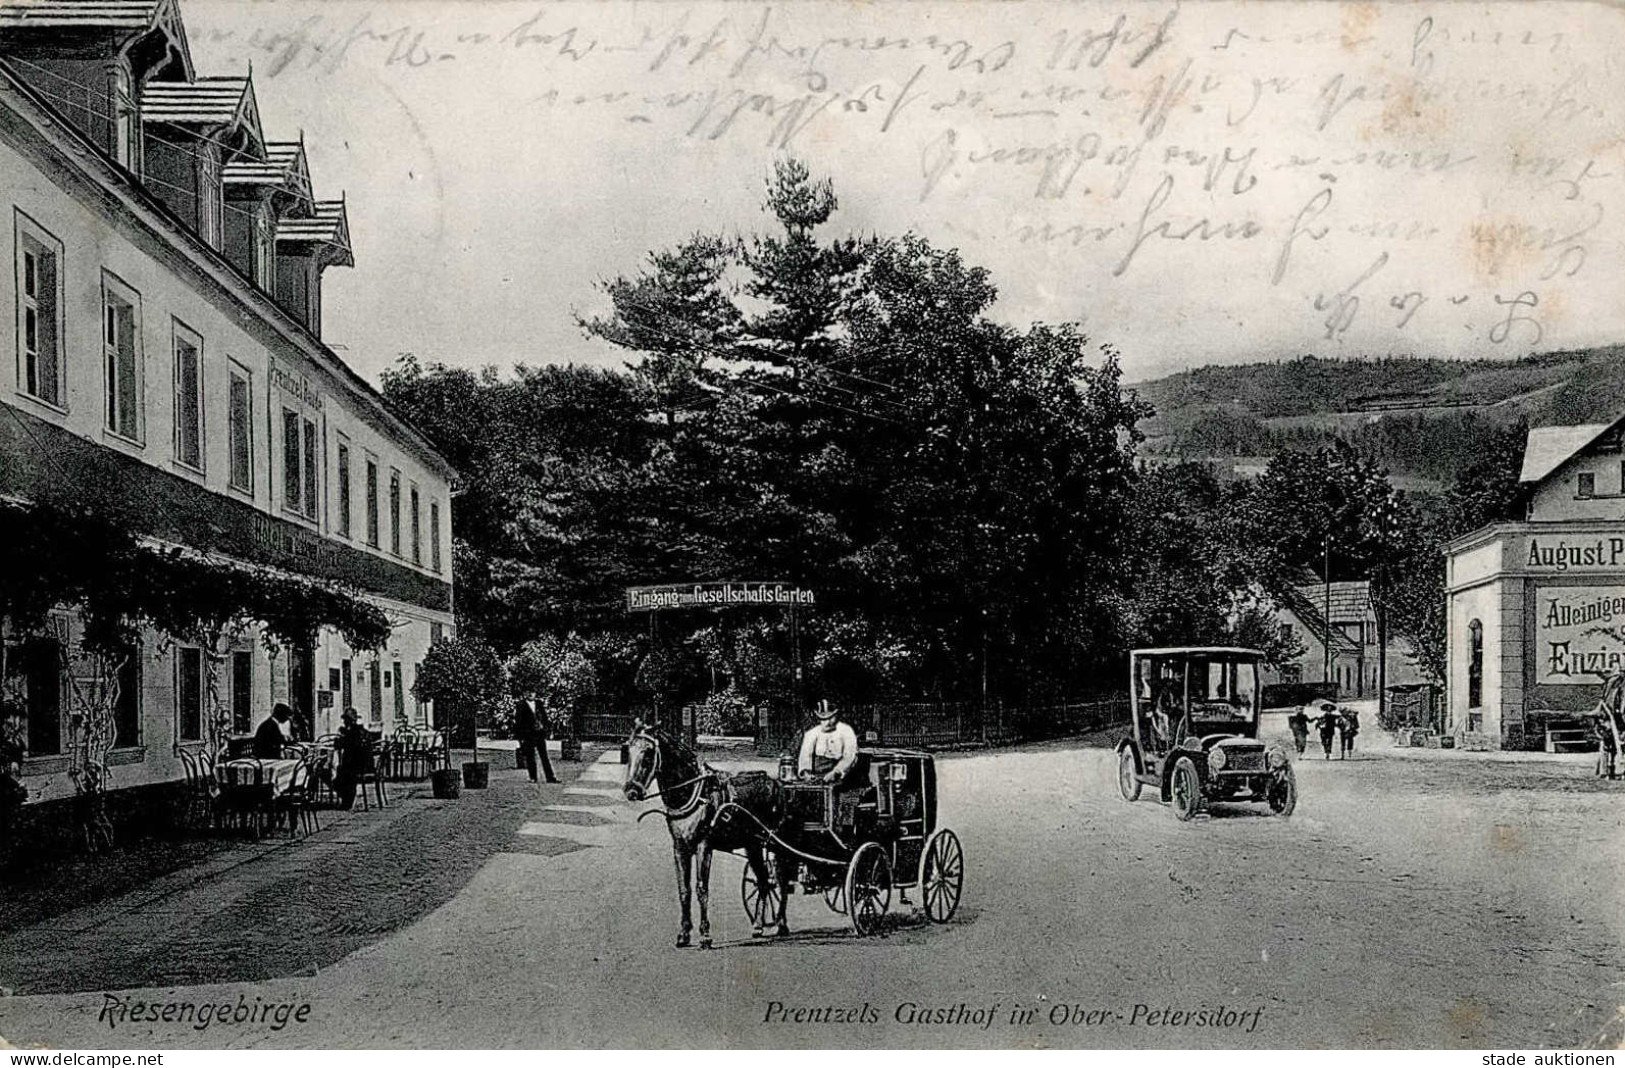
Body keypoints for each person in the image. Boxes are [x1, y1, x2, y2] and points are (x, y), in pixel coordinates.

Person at [797, 699, 858, 785]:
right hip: (817, 777)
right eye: (823, 719)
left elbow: (849, 756)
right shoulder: (811, 734)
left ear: (836, 716)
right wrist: (806, 773)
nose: (827, 722)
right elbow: (805, 756)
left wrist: (836, 771)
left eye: (831, 718)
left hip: (841, 777)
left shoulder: (846, 731)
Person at [332, 707, 372, 810]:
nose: (344, 722)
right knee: (340, 772)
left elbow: (340, 745)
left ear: (349, 721)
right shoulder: (361, 731)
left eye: (345, 720)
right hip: (362, 764)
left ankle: (346, 801)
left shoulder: (353, 732)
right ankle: (344, 798)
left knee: (340, 774)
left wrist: (340, 737)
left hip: (356, 765)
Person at [514, 696, 558, 784]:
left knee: (544, 755)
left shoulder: (539, 703)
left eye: (533, 692)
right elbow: (518, 721)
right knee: (530, 756)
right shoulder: (521, 705)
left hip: (539, 733)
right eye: (528, 692)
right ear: (525, 693)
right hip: (528, 734)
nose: (531, 694)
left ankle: (550, 777)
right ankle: (533, 777)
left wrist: (545, 728)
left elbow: (544, 717)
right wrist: (520, 736)